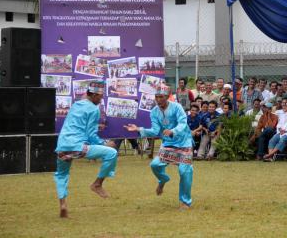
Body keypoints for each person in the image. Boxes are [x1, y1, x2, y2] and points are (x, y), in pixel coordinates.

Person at [54, 80, 117, 218]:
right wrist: (104, 143)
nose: (101, 100)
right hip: (77, 146)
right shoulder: (94, 109)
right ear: (93, 95)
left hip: (62, 146)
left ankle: (63, 205)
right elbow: (91, 134)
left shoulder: (76, 105)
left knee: (61, 175)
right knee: (112, 153)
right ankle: (97, 184)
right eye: (100, 97)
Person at [125, 85, 194, 208]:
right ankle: (163, 180)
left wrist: (173, 131)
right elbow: (155, 130)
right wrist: (139, 129)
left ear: (167, 97)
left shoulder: (177, 107)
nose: (158, 99)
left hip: (184, 142)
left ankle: (185, 201)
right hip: (168, 143)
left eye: (161, 96)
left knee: (184, 171)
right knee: (155, 165)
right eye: (156, 96)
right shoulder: (154, 112)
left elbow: (183, 123)